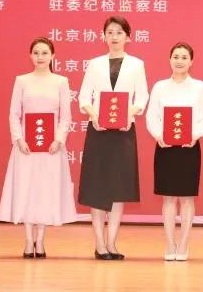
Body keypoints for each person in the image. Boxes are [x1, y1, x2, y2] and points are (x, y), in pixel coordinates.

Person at [0, 37, 77, 258]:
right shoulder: (22, 81)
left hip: (51, 149)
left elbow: (65, 117)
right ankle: (27, 240)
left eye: (44, 53)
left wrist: (58, 140)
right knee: (27, 190)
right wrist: (18, 139)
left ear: (53, 56)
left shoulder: (61, 81)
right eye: (36, 53)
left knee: (45, 192)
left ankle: (40, 240)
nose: (40, 57)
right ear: (30, 55)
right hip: (26, 148)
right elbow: (14, 114)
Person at [78, 16, 149, 260]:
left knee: (119, 188)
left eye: (119, 32)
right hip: (98, 131)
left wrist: (127, 114)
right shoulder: (94, 64)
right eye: (110, 32)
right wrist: (94, 115)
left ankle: (112, 243)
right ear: (104, 36)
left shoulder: (137, 64)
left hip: (124, 132)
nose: (114, 36)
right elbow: (84, 97)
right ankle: (99, 244)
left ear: (128, 37)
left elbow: (142, 97)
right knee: (97, 187)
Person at [145, 42, 203, 261]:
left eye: (184, 57)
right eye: (176, 56)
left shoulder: (200, 87)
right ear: (169, 59)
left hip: (189, 147)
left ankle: (183, 244)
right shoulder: (160, 87)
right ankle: (169, 244)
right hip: (165, 147)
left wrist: (194, 135)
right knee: (168, 199)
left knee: (187, 199)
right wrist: (159, 135)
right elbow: (152, 116)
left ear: (191, 62)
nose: (179, 61)